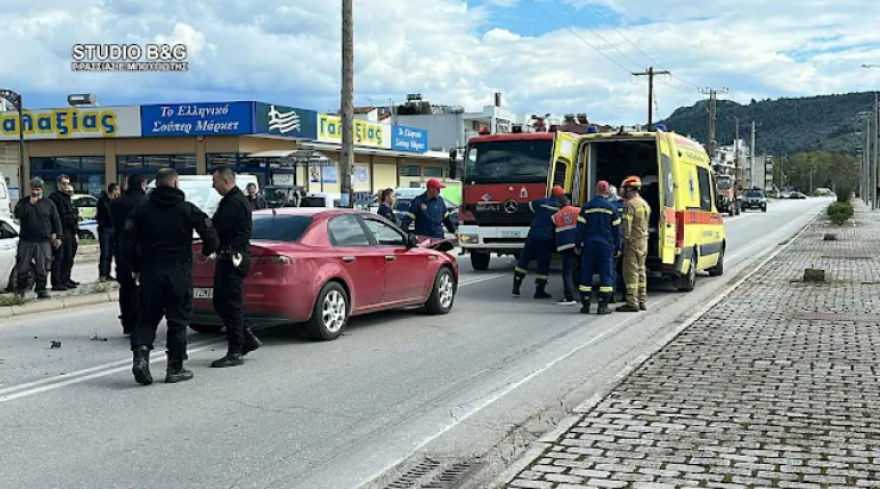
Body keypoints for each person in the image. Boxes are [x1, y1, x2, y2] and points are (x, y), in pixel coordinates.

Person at [122, 168, 218, 385]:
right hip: (179, 272)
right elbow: (210, 234)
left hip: (151, 271)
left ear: (156, 185)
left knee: (146, 317)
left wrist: (135, 266)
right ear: (176, 184)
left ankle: (141, 356)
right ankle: (175, 367)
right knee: (178, 320)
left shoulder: (141, 210)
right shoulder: (187, 209)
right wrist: (204, 252)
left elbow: (126, 241)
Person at [209, 165, 263, 368]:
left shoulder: (234, 203)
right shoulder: (231, 200)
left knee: (230, 305)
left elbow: (216, 227)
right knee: (221, 302)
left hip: (233, 259)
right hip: (228, 258)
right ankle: (245, 339)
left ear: (226, 181)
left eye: (215, 182)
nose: (213, 186)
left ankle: (236, 350)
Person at [575, 181, 622, 315]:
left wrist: (577, 244)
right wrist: (618, 247)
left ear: (596, 190)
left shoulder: (587, 207)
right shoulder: (612, 208)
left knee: (586, 272)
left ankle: (585, 304)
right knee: (606, 272)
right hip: (606, 245)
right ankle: (603, 306)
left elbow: (580, 228)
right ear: (607, 192)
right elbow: (617, 231)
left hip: (589, 244)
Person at [12, 177, 62, 300]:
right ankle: (21, 290)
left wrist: (58, 236)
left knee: (43, 267)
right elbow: (18, 214)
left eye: (38, 189)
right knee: (22, 267)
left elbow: (56, 220)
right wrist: (30, 203)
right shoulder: (23, 202)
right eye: (34, 189)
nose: (36, 191)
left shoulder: (48, 203)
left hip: (43, 241)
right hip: (26, 241)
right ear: (30, 189)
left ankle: (41, 290)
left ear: (42, 190)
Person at [110, 174, 148, 335]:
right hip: (143, 249)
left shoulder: (116, 203)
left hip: (121, 249)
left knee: (126, 286)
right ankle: (139, 322)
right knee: (143, 288)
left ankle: (127, 322)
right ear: (142, 185)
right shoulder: (147, 203)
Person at [512, 185, 564, 299]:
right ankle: (539, 291)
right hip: (546, 238)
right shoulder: (559, 207)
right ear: (559, 196)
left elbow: (527, 207)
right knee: (543, 263)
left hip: (533, 234)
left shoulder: (540, 202)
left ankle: (516, 287)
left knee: (524, 260)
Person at [617, 175, 651, 313]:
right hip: (643, 242)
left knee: (630, 273)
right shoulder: (644, 204)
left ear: (629, 189)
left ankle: (632, 302)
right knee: (641, 271)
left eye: (625, 188)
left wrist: (623, 242)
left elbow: (626, 227)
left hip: (633, 243)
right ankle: (642, 301)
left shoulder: (630, 204)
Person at [48, 175, 79, 291]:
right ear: (59, 184)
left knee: (69, 256)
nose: (66, 186)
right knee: (59, 257)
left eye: (68, 183)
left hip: (69, 231)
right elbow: (54, 217)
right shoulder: (54, 198)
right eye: (64, 184)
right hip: (60, 230)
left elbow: (73, 214)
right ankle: (57, 282)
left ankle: (66, 279)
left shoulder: (68, 198)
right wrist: (54, 233)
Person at [551, 193, 581, 306]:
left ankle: (569, 297)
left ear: (559, 204)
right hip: (578, 245)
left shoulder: (556, 216)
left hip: (565, 247)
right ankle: (584, 294)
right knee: (581, 269)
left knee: (567, 272)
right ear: (569, 201)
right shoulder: (578, 211)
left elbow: (553, 231)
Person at [607, 185, 627, 303]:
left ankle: (612, 295)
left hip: (613, 241)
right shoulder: (626, 205)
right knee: (625, 268)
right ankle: (625, 294)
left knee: (612, 268)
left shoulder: (609, 207)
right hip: (626, 240)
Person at [96, 183, 120, 281]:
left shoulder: (115, 201)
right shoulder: (103, 201)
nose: (118, 192)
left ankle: (108, 273)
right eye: (117, 190)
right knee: (105, 252)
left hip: (113, 229)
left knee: (111, 252)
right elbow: (105, 214)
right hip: (105, 229)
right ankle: (102, 274)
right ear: (113, 190)